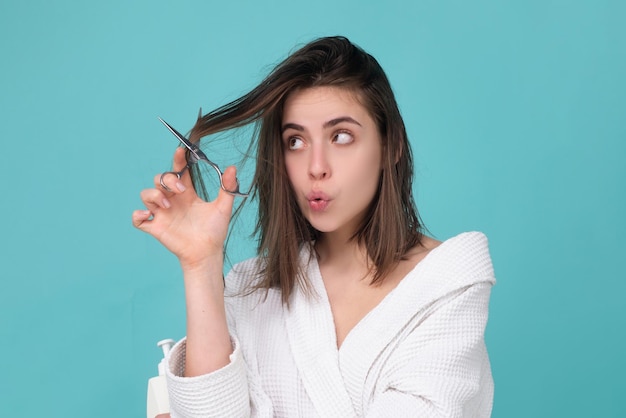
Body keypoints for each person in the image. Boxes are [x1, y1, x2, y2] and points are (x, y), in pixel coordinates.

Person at [133, 36, 496, 417]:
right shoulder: (252, 292)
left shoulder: (447, 286)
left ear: (392, 146)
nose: (315, 166)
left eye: (341, 136)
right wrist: (201, 264)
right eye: (295, 141)